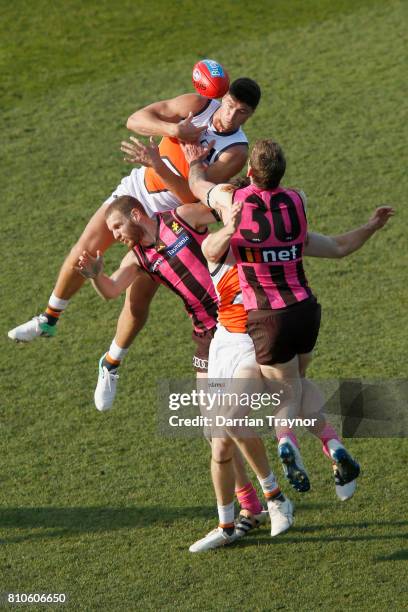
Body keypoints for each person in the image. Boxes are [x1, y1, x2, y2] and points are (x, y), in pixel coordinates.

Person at [8, 79, 261, 412]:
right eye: (229, 105)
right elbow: (136, 120)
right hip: (136, 191)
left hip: (169, 215)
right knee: (87, 245)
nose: (230, 116)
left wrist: (158, 163)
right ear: (221, 98)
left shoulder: (235, 151)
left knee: (137, 300)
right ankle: (49, 318)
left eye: (241, 113)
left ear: (249, 115)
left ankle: (111, 363)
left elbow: (190, 195)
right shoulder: (197, 105)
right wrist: (175, 129)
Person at [76, 193, 292, 547]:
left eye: (116, 226)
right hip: (207, 337)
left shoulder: (180, 217)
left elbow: (225, 208)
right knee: (214, 433)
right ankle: (250, 508)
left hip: (240, 322)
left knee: (243, 415)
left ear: (136, 214)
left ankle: (277, 493)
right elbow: (113, 290)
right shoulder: (138, 257)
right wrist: (96, 276)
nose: (114, 235)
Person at [183, 138, 394, 493]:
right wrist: (371, 226)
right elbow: (339, 247)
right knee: (296, 381)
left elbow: (198, 190)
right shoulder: (298, 202)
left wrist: (196, 163)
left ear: (249, 173)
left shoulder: (232, 201)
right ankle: (334, 445)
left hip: (268, 320)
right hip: (306, 312)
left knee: (284, 394)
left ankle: (286, 442)